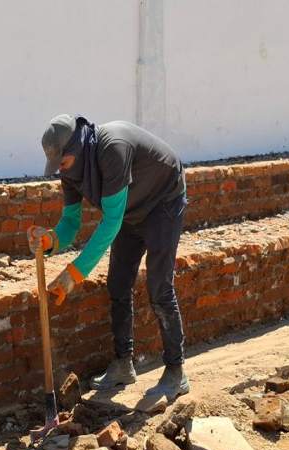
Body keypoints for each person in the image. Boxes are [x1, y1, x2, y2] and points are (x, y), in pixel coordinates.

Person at [28, 114, 189, 400]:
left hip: (163, 203)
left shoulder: (112, 148)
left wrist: (74, 273)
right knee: (118, 283)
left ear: (77, 148)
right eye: (58, 166)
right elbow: (71, 224)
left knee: (159, 288)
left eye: (63, 163)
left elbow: (111, 221)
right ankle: (123, 364)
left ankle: (176, 373)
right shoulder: (71, 171)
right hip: (130, 211)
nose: (61, 170)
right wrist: (51, 240)